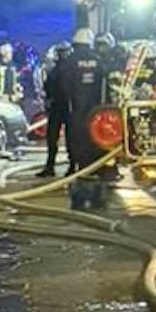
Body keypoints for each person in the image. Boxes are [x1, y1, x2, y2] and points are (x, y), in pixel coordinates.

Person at [53, 28, 108, 208]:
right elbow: (103, 87)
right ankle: (95, 181)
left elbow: (63, 86)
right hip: (94, 114)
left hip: (75, 112)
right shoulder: (98, 61)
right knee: (94, 145)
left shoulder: (69, 62)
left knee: (76, 144)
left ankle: (78, 177)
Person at [36, 42, 71, 178]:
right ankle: (50, 166)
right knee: (52, 139)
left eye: (63, 52)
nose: (61, 55)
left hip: (67, 107)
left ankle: (72, 166)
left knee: (70, 139)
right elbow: (48, 87)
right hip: (57, 107)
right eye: (60, 52)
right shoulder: (54, 70)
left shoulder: (70, 69)